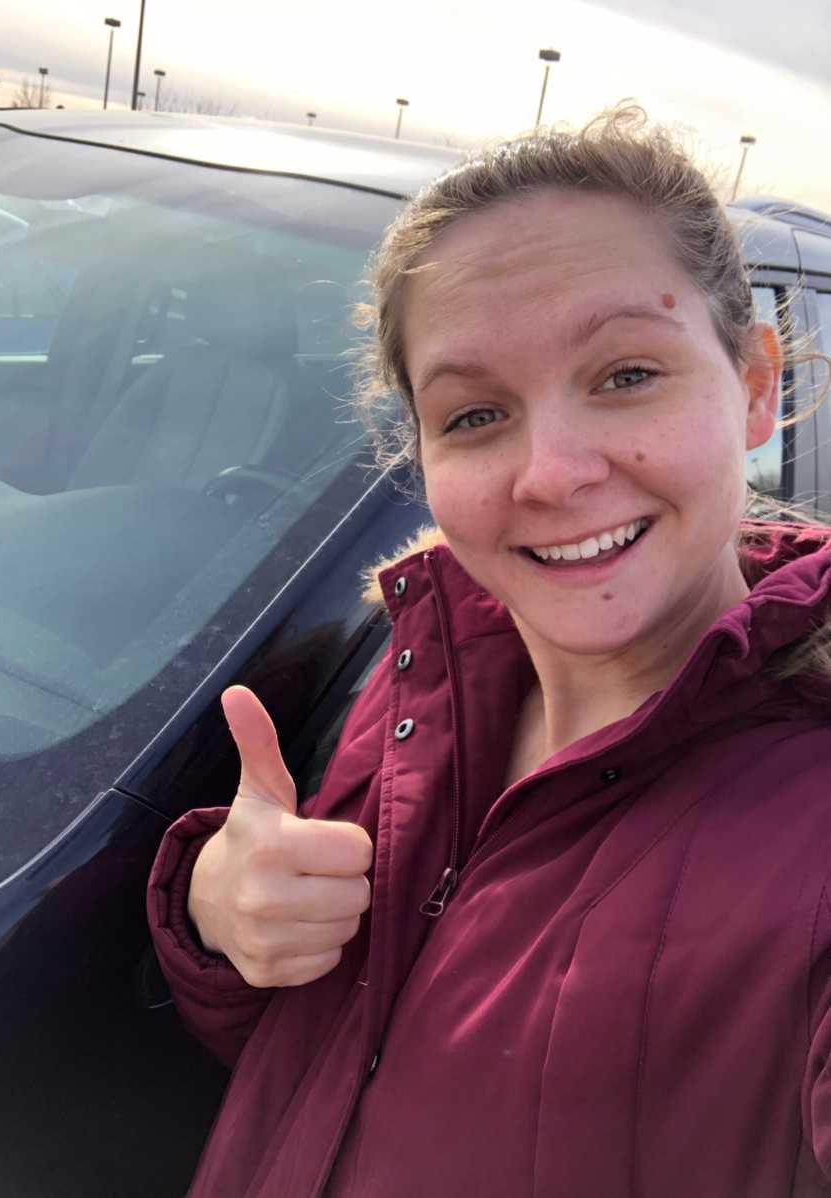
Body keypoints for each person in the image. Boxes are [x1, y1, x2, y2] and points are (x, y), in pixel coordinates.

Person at [147, 104, 831, 1197]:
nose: (551, 473)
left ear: (757, 386)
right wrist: (222, 913)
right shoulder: (422, 671)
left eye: (626, 375)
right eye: (475, 415)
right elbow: (338, 1070)